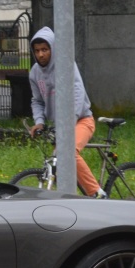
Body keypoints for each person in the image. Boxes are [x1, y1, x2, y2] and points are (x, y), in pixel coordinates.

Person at [27, 26, 106, 198]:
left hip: (82, 120)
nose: (40, 54)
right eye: (37, 50)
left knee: (67, 152)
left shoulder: (65, 65)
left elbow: (77, 92)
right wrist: (39, 122)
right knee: (60, 160)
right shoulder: (34, 73)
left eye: (45, 50)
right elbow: (37, 101)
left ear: (53, 49)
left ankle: (97, 194)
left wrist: (70, 120)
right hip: (60, 126)